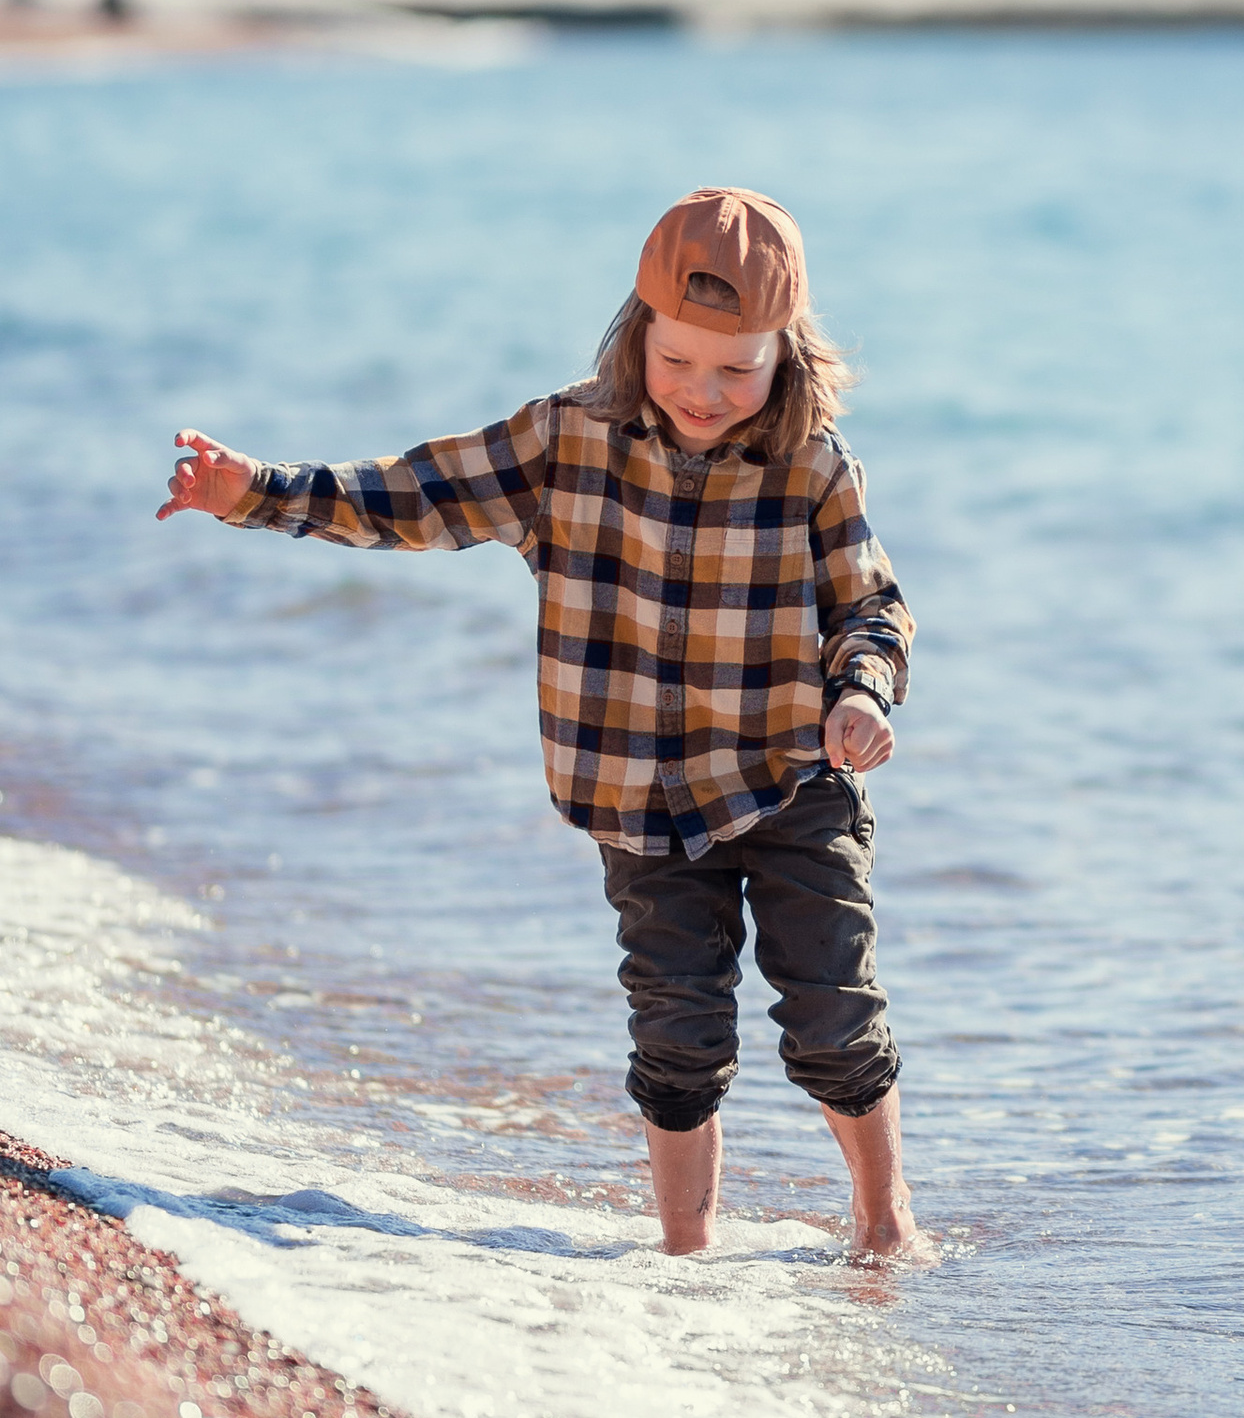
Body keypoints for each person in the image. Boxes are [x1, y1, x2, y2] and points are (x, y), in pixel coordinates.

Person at [156, 186, 925, 1265]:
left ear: (786, 355)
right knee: (675, 1030)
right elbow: (411, 497)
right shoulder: (567, 440)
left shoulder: (813, 464)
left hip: (795, 781)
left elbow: (871, 605)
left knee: (831, 1016)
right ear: (636, 331)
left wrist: (861, 691)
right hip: (642, 797)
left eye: (736, 369)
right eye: (679, 362)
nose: (704, 392)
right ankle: (683, 1258)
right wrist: (256, 492)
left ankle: (884, 1225)